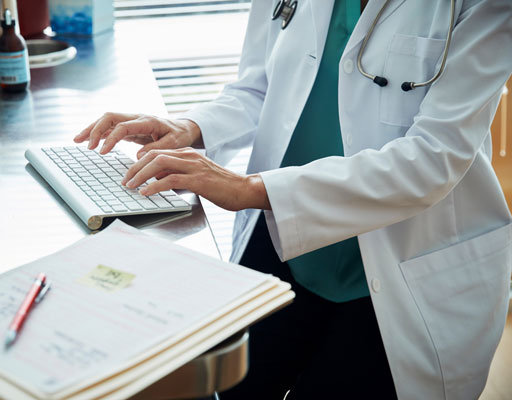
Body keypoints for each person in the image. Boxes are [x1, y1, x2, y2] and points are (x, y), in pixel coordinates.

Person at [74, 0, 512, 398]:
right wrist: (191, 127)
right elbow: (258, 88)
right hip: (284, 244)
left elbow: (432, 159)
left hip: (401, 273)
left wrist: (250, 189)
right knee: (231, 389)